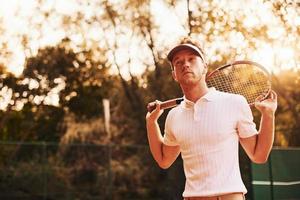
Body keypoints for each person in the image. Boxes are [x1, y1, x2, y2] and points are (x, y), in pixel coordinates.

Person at [145, 37, 277, 200]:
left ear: (204, 67)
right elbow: (164, 160)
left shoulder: (234, 102)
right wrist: (151, 123)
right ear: (174, 75)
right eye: (178, 62)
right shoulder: (174, 116)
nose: (185, 64)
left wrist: (268, 115)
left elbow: (259, 155)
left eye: (192, 59)